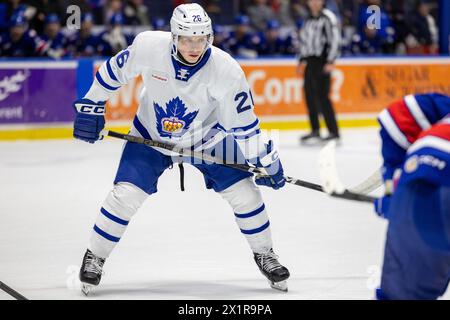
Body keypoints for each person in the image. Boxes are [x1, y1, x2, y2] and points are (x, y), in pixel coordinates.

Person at [73, 3, 290, 295]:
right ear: (174, 36)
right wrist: (91, 104)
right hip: (150, 133)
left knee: (246, 193)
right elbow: (114, 72)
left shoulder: (226, 71)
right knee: (125, 196)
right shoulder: (150, 46)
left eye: (201, 38)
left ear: (209, 37)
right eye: (188, 38)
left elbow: (245, 128)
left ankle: (265, 253)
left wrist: (265, 161)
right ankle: (95, 256)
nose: (194, 46)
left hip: (206, 138)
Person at [374, 93, 450, 300]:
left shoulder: (438, 105)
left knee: (404, 294)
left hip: (434, 158)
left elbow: (395, 115)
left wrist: (397, 196)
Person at [297, 0, 340, 144]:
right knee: (309, 95)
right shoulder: (308, 19)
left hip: (322, 61)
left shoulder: (328, 17)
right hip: (310, 61)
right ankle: (315, 129)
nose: (314, 3)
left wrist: (330, 61)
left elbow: (334, 40)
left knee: (323, 96)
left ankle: (333, 131)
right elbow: (304, 41)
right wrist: (302, 59)